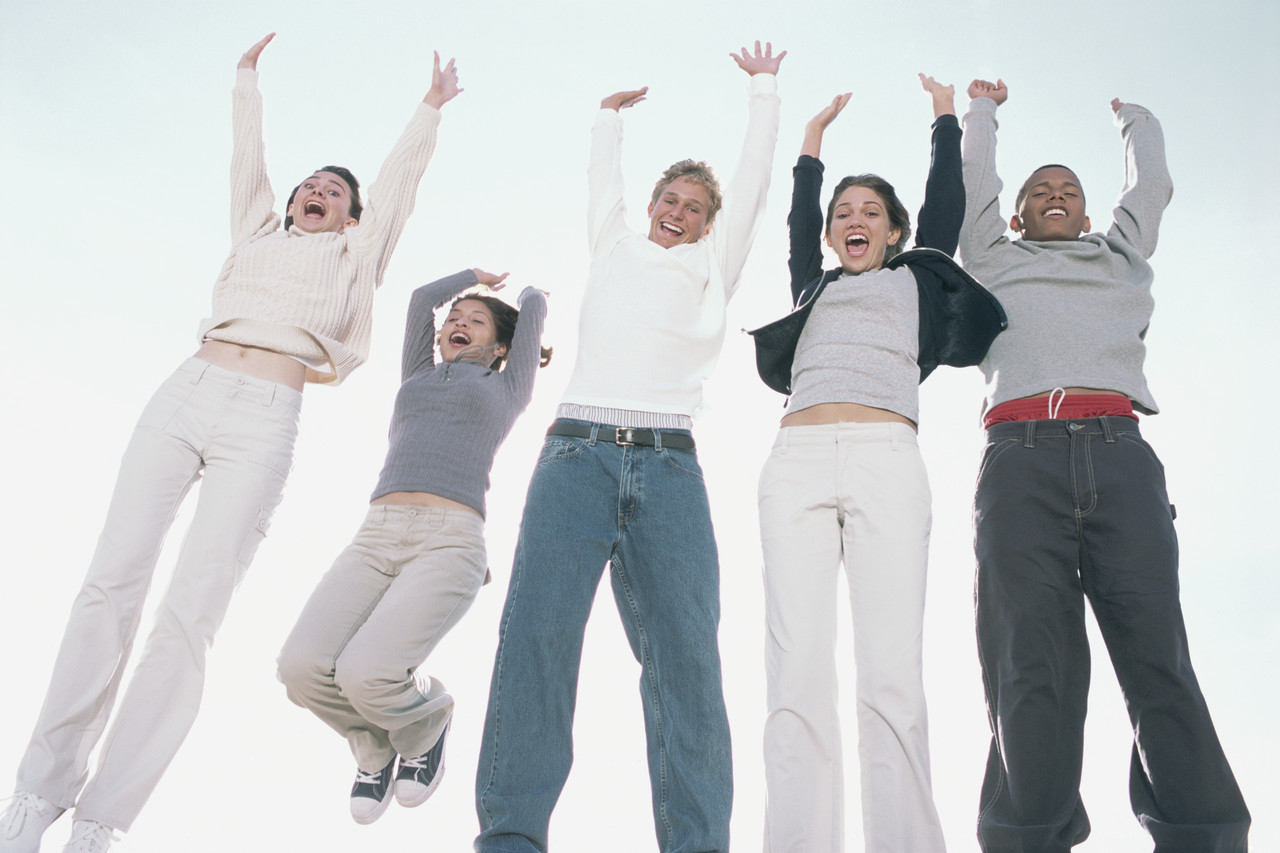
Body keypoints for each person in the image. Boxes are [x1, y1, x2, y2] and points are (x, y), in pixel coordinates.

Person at [0, 33, 460, 853]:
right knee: (109, 583)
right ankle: (37, 794)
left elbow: (398, 188)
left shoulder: (357, 255)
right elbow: (247, 161)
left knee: (190, 614)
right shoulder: (256, 232)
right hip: (187, 392)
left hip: (264, 417)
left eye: (333, 191)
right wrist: (246, 80)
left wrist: (427, 110)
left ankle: (102, 819)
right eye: (307, 187)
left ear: (354, 217)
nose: (315, 192)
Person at [473, 42, 784, 853]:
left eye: (692, 205)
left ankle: (695, 842)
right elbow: (601, 182)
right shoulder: (613, 243)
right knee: (537, 633)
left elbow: (752, 180)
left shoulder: (715, 267)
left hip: (670, 466)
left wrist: (763, 91)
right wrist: (607, 119)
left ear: (711, 225)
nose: (676, 211)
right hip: (576, 454)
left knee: (687, 661)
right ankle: (510, 835)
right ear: (650, 205)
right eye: (668, 198)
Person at [958, 78, 1251, 853]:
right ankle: (1029, 838)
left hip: (1119, 453)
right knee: (1030, 665)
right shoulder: (991, 256)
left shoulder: (1120, 256)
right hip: (1020, 461)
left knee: (1157, 654)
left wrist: (1135, 118)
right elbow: (973, 182)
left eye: (1069, 190)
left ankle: (1204, 836)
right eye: (1040, 191)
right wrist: (982, 111)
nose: (1055, 195)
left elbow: (1151, 183)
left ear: (1088, 215)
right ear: (1017, 216)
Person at [748, 76, 1004, 853]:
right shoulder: (811, 285)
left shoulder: (915, 279)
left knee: (890, 674)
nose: (852, 222)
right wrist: (812, 142)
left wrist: (944, 118)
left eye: (870, 214)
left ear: (895, 232)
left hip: (887, 461)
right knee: (795, 677)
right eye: (842, 216)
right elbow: (796, 218)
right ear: (832, 236)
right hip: (795, 463)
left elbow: (947, 202)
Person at [276, 268, 549, 826]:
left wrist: (527, 294)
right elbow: (422, 300)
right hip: (376, 533)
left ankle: (427, 722)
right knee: (300, 667)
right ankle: (375, 748)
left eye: (475, 321)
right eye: (455, 319)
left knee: (365, 671)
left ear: (500, 346)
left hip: (449, 541)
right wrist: (473, 278)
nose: (458, 324)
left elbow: (533, 313)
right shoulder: (419, 374)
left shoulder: (506, 387)